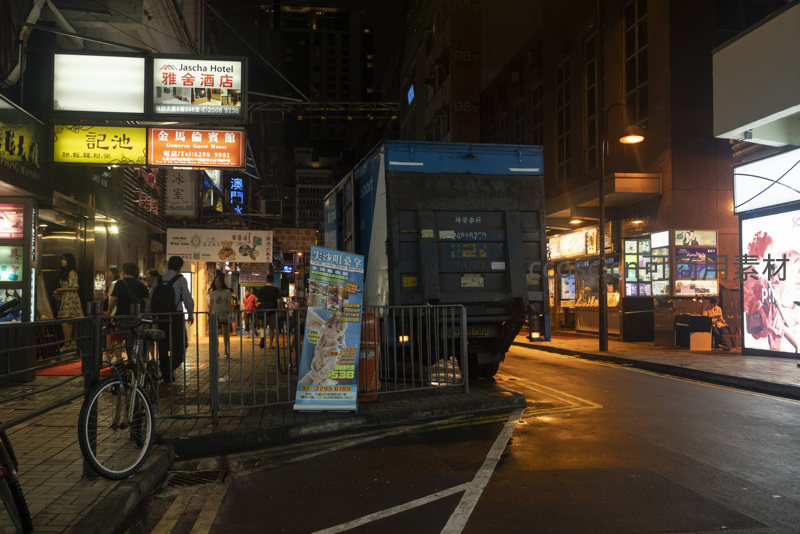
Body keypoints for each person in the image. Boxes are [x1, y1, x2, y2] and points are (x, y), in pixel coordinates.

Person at [147, 256, 194, 383]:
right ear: (180, 267)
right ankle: (168, 370)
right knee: (181, 345)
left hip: (160, 317)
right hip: (176, 316)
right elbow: (187, 299)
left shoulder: (158, 279)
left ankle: (166, 373)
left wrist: (149, 314)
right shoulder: (180, 280)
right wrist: (191, 314)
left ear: (168, 265)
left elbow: (151, 299)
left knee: (163, 346)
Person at [107, 263, 149, 362]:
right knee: (134, 338)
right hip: (136, 317)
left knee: (117, 338)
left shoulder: (119, 284)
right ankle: (133, 360)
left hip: (121, 316)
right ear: (135, 273)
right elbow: (147, 302)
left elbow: (113, 300)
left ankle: (119, 359)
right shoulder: (141, 285)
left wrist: (108, 314)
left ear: (123, 272)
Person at [54, 253, 83, 351]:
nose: (62, 261)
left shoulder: (72, 273)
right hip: (66, 298)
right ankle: (71, 343)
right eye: (62, 259)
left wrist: (60, 289)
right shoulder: (65, 273)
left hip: (71, 299)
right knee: (69, 322)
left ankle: (68, 344)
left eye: (64, 259)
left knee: (65, 322)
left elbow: (75, 288)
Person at [208, 275, 232, 357]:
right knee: (216, 335)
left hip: (224, 314)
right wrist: (210, 314)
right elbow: (211, 304)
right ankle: (216, 351)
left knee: (225, 334)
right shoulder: (213, 293)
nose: (217, 284)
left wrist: (230, 313)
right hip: (215, 315)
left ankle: (226, 351)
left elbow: (229, 303)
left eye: (218, 282)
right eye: (215, 282)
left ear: (222, 282)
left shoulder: (227, 292)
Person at [256, 273, 281, 349]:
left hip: (263, 310)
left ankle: (262, 337)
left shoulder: (261, 289)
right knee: (271, 328)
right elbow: (278, 301)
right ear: (272, 281)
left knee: (262, 326)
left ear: (266, 280)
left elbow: (256, 300)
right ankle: (270, 344)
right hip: (273, 310)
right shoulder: (275, 290)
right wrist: (279, 309)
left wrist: (259, 305)